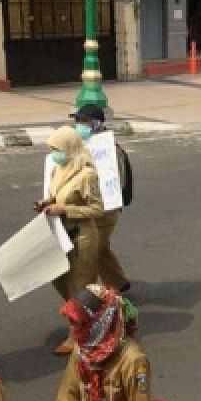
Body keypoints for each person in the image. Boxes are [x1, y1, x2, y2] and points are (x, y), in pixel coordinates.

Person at [38, 126, 103, 356]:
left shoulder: (87, 174)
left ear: (70, 148)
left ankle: (78, 337)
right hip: (61, 235)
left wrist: (64, 209)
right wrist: (48, 203)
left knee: (79, 288)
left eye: (58, 149)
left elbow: (97, 209)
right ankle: (88, 318)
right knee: (57, 278)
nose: (55, 153)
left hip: (82, 236)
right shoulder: (59, 168)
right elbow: (56, 195)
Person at [72, 103, 131, 291]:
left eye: (84, 121)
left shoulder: (110, 150)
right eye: (77, 120)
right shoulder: (80, 147)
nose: (79, 125)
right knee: (100, 246)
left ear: (96, 123)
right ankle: (118, 282)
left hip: (106, 209)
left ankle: (86, 297)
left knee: (89, 253)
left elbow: (118, 182)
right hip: (89, 208)